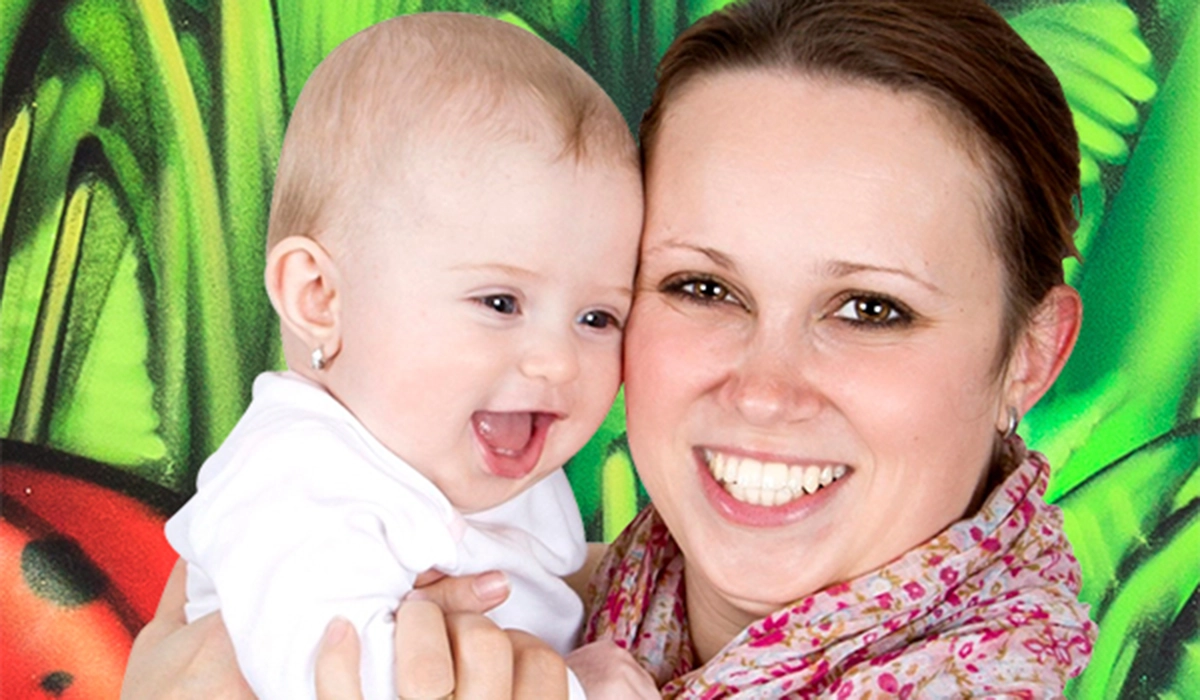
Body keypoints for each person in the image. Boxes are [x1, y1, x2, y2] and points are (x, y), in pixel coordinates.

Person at [124, 0, 1097, 697]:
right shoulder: (603, 582)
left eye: (872, 309)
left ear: (1030, 353)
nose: (763, 392)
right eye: (701, 286)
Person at [159, 12, 653, 700]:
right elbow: (338, 674)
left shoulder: (459, 454)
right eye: (500, 303)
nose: (559, 362)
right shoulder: (297, 480)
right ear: (320, 297)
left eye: (598, 317)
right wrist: (574, 689)